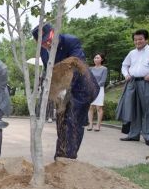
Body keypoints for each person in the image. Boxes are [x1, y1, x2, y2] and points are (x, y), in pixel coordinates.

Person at [33, 23, 99, 159]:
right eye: (44, 42)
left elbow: (77, 65)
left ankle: (68, 160)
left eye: (50, 38)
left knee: (73, 123)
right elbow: (49, 69)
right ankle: (60, 156)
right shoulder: (43, 51)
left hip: (81, 89)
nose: (49, 43)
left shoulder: (71, 41)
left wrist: (64, 86)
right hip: (62, 93)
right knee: (61, 123)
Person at [87, 53, 108, 132]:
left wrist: (95, 86)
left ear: (102, 59)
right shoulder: (91, 69)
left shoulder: (104, 69)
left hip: (99, 89)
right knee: (90, 107)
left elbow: (103, 81)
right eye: (95, 58)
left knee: (99, 107)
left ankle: (98, 124)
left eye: (98, 58)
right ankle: (91, 123)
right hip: (91, 89)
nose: (96, 59)